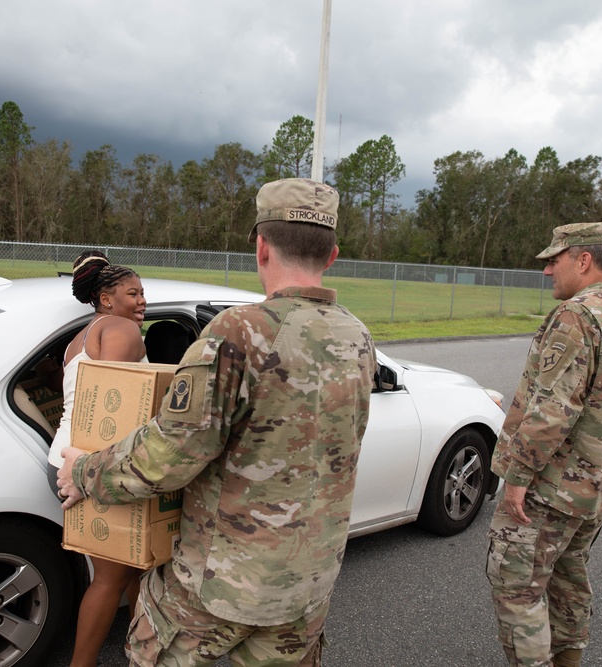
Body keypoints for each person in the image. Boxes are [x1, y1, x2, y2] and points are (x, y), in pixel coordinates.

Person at [57, 178, 376, 666]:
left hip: (222, 584)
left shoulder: (237, 331)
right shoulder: (358, 336)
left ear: (261, 246)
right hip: (307, 586)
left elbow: (170, 456)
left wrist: (84, 472)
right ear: (332, 255)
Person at [485, 221, 602, 667]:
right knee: (568, 579)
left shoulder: (577, 316)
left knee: (515, 584)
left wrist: (517, 479)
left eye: (554, 259)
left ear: (583, 260)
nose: (547, 270)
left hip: (551, 488)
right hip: (596, 488)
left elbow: (552, 409)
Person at [46, 250, 147, 667]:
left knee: (135, 567)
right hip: (94, 462)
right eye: (133, 293)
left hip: (69, 455)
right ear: (106, 298)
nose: (142, 301)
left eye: (143, 293)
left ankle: (146, 649)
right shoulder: (120, 328)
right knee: (111, 577)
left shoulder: (79, 338)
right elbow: (113, 407)